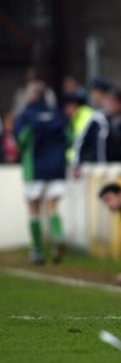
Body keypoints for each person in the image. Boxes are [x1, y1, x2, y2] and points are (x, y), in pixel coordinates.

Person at [13, 80, 72, 264]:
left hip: (35, 168)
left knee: (33, 208)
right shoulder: (58, 114)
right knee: (52, 205)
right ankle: (57, 235)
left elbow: (20, 141)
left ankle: (37, 250)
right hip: (57, 167)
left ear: (31, 95)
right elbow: (69, 138)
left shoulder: (26, 116)